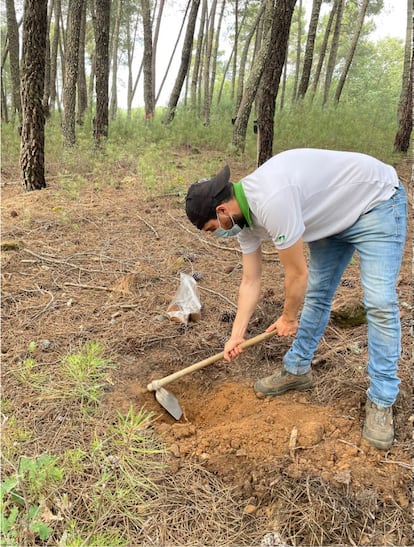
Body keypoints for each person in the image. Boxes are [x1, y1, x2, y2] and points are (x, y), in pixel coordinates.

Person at [185, 148, 407, 450]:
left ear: (222, 211)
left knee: (380, 303)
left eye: (212, 229)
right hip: (330, 217)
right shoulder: (243, 222)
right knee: (317, 294)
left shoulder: (272, 198)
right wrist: (235, 336)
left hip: (375, 202)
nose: (216, 234)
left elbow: (296, 274)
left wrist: (288, 317)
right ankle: (298, 369)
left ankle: (382, 400)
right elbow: (250, 281)